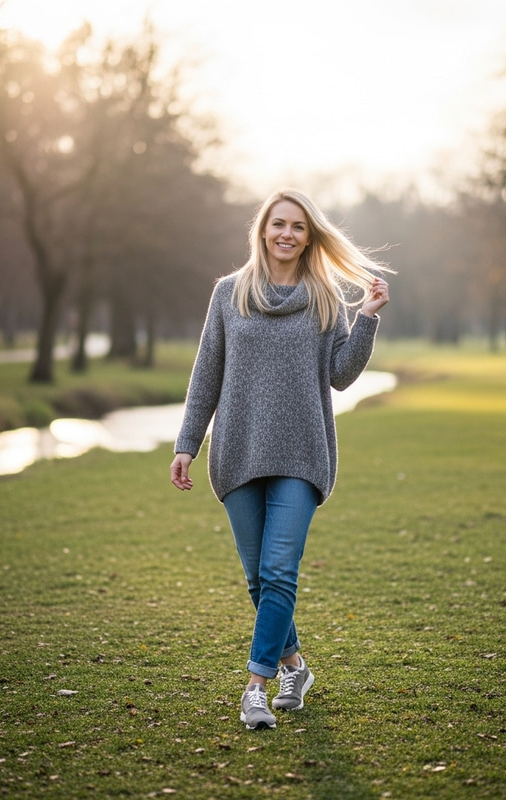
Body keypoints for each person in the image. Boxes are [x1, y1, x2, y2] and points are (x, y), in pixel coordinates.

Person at [170, 188, 390, 731]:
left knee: (278, 571)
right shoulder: (228, 295)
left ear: (309, 236)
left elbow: (340, 375)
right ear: (262, 231)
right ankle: (294, 666)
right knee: (257, 579)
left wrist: (365, 319)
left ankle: (255, 687)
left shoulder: (325, 301)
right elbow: (207, 376)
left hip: (302, 454)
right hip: (237, 451)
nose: (287, 234)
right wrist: (186, 444)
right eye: (278, 224)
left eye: (298, 227)